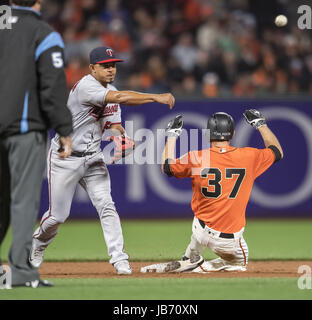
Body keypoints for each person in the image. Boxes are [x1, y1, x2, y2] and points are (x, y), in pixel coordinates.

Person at [29, 46, 175, 275]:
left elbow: (112, 124)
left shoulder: (110, 89)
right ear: (92, 68)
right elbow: (118, 98)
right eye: (105, 66)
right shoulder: (87, 86)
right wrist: (155, 96)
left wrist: (121, 138)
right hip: (65, 158)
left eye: (113, 65)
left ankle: (120, 260)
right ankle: (37, 243)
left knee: (107, 206)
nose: (110, 70)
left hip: (92, 158)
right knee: (57, 216)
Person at [0, 0, 73, 288]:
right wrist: (64, 128)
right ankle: (19, 272)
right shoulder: (42, 33)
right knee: (23, 200)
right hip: (23, 127)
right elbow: (52, 86)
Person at [161, 109, 283, 272]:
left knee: (201, 221)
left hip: (200, 228)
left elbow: (166, 167)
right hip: (227, 242)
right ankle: (199, 267)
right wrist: (260, 124)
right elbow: (277, 151)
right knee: (239, 264)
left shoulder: (196, 157)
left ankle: (190, 257)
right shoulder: (248, 156)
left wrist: (172, 135)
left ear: (208, 134)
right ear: (233, 133)